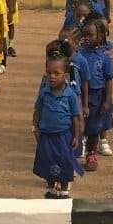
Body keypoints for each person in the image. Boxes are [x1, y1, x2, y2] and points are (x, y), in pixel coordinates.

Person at [33, 53, 83, 199]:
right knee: (48, 160)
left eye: (56, 73)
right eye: (49, 73)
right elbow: (38, 110)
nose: (52, 77)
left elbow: (75, 117)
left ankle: (64, 189)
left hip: (63, 136)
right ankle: (51, 188)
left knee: (64, 162)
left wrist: (76, 136)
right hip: (46, 135)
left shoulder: (70, 95)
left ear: (65, 75)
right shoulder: (44, 93)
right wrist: (35, 126)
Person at [75, 17, 113, 171]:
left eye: (91, 35)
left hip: (97, 95)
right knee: (79, 124)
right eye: (84, 35)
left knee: (94, 127)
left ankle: (91, 154)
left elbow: (109, 80)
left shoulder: (105, 56)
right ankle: (76, 150)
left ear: (100, 36)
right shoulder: (79, 53)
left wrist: (107, 101)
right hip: (79, 95)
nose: (87, 38)